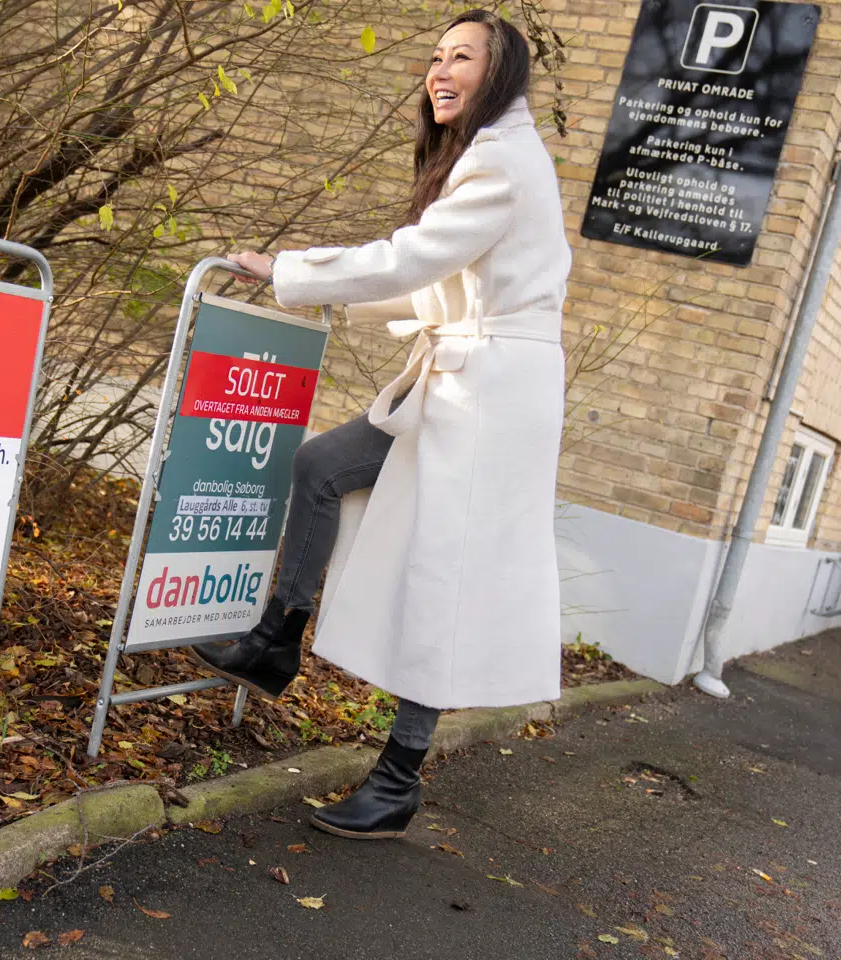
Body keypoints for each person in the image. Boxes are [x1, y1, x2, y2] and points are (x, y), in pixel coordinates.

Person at [193, 11, 572, 841]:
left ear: (499, 73)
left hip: (493, 397)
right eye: (435, 56)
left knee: (445, 576)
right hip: (465, 375)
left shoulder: (502, 162)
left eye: (462, 57)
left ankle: (399, 775)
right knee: (323, 465)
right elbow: (431, 282)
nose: (440, 70)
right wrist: (321, 288)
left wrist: (293, 271)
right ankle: (277, 638)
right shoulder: (485, 156)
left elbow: (410, 259)